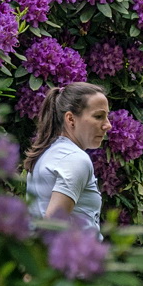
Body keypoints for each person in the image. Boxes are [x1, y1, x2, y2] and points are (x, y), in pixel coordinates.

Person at [22, 81, 111, 237]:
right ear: (70, 119)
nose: (107, 125)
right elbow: (52, 227)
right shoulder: (76, 160)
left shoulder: (46, 152)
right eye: (99, 116)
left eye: (106, 117)